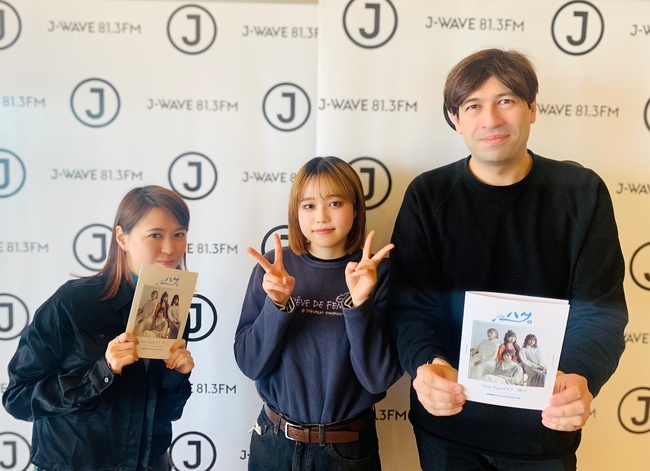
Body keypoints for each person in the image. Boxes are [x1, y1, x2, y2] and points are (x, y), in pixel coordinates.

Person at [388, 49, 628, 470]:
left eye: (506, 101)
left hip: (544, 432)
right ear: (455, 118)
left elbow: (600, 311)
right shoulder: (428, 196)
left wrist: (579, 374)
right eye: (472, 106)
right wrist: (429, 361)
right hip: (449, 430)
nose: (491, 120)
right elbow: (410, 306)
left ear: (532, 108)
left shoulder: (581, 193)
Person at [3, 185, 195, 471]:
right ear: (122, 237)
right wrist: (102, 370)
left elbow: (167, 414)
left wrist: (176, 376)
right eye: (155, 235)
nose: (170, 249)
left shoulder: (176, 309)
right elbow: (18, 399)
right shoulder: (74, 301)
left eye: (179, 234)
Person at [234, 156, 402, 471]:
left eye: (334, 203)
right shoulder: (275, 269)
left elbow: (377, 378)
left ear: (355, 209)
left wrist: (359, 304)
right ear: (295, 212)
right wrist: (277, 305)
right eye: (309, 205)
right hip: (273, 442)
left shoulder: (377, 275)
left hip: (348, 451)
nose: (321, 217)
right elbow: (250, 364)